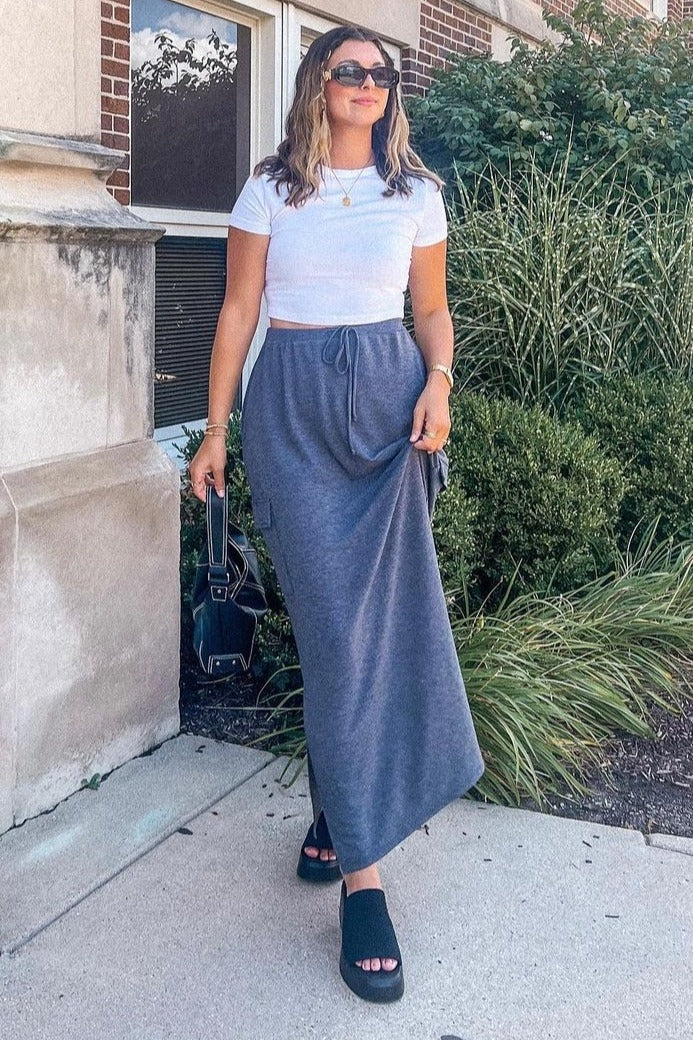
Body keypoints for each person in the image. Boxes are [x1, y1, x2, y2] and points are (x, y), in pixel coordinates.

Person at [187, 24, 485, 1004]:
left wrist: (439, 380)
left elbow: (430, 309)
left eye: (381, 73)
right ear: (318, 80)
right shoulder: (270, 189)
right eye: (349, 69)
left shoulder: (417, 193)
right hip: (295, 414)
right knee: (333, 634)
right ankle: (366, 879)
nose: (367, 83)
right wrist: (215, 431)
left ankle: (340, 825)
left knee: (376, 634)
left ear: (392, 92)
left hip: (392, 416)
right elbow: (238, 311)